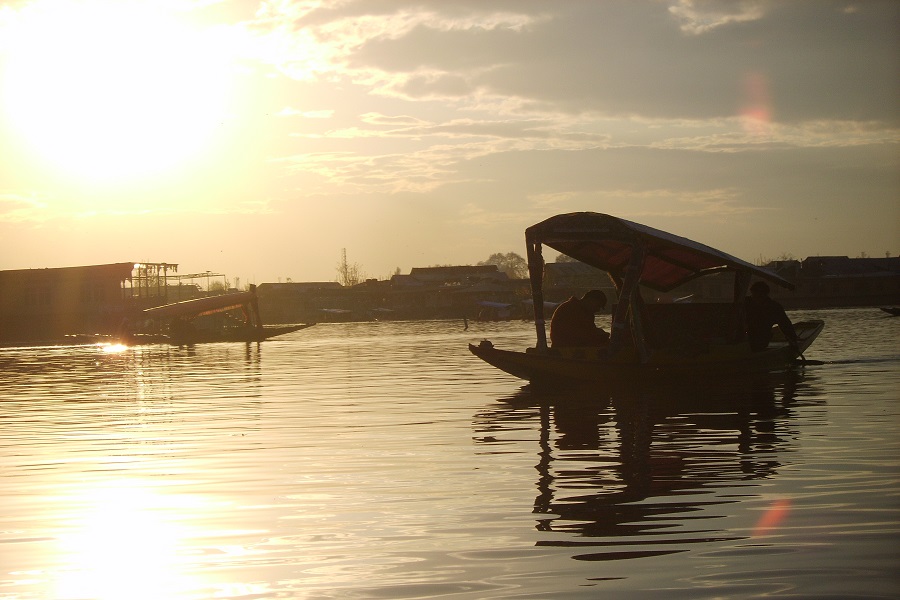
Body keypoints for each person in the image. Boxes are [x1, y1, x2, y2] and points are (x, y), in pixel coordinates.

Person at [745, 281, 799, 352]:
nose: (757, 298)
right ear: (752, 293)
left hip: (761, 341)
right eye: (755, 295)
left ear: (765, 294)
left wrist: (793, 340)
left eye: (760, 295)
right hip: (743, 339)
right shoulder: (745, 303)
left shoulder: (774, 307)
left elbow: (785, 325)